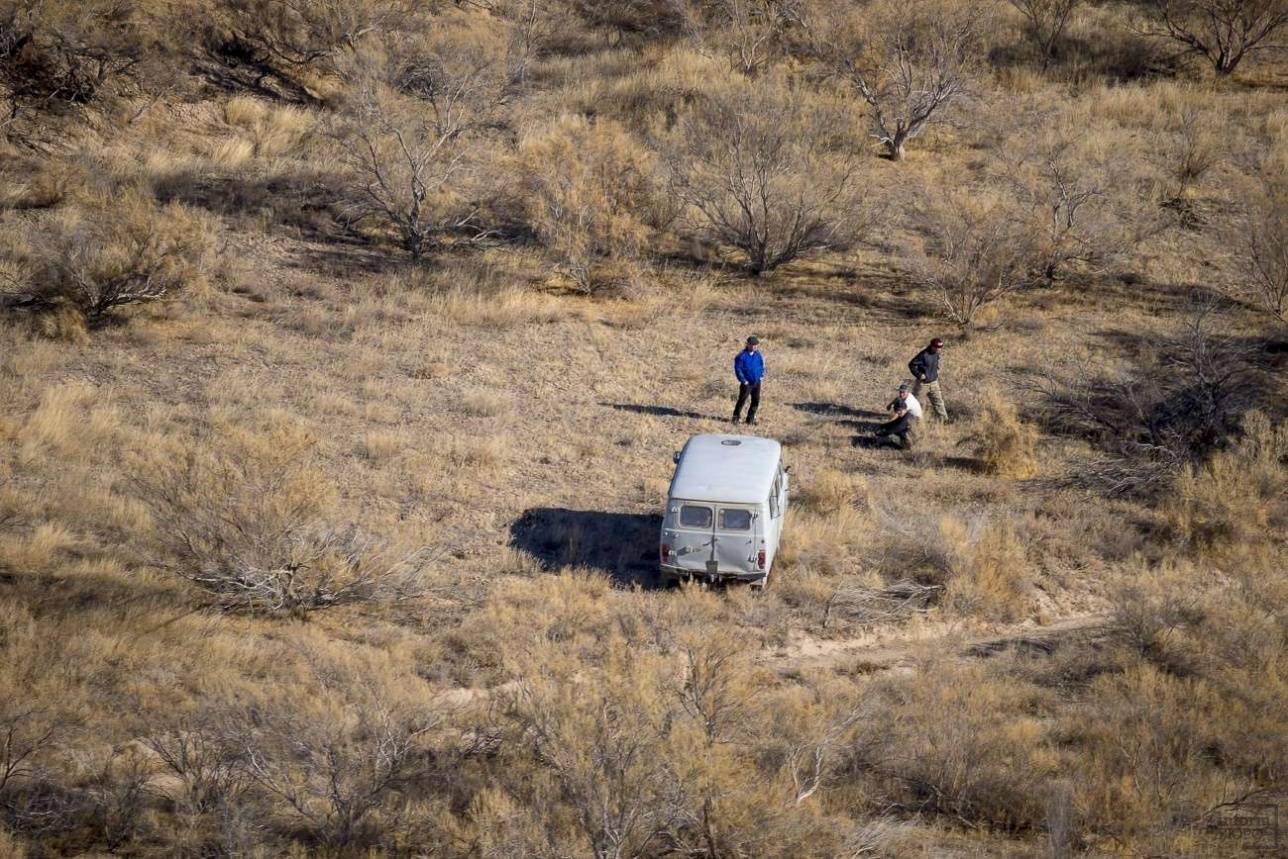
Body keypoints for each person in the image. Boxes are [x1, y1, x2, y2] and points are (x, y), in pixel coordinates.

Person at [908, 337, 948, 421]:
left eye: (940, 348)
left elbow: (936, 362)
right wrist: (919, 375)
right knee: (915, 403)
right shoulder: (923, 355)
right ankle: (909, 420)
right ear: (932, 346)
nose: (939, 349)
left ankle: (944, 420)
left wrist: (937, 370)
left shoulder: (937, 353)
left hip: (934, 383)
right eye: (937, 347)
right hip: (922, 384)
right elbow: (911, 364)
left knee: (938, 402)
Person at [875, 382, 923, 449]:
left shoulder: (908, 401)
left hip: (915, 419)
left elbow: (899, 414)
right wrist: (890, 405)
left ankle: (905, 443)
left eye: (903, 392)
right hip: (908, 416)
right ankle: (903, 439)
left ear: (908, 392)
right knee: (893, 426)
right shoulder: (905, 396)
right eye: (900, 392)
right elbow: (897, 399)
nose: (901, 394)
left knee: (897, 428)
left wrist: (887, 423)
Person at [732, 335, 764, 425]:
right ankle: (735, 418)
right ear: (748, 345)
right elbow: (738, 369)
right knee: (742, 400)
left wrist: (761, 375)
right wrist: (744, 381)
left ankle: (750, 419)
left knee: (756, 401)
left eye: (756, 345)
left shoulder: (758, 355)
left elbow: (761, 365)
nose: (755, 347)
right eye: (753, 345)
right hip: (747, 383)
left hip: (757, 382)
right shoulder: (741, 356)